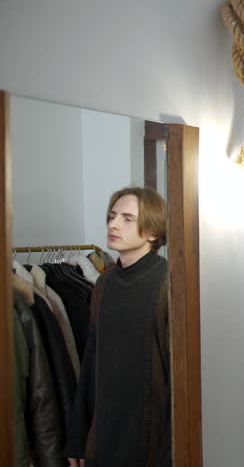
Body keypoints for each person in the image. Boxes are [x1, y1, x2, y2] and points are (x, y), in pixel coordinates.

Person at [65, 186, 171, 467]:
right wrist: (78, 437)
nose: (112, 224)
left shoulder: (168, 283)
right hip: (106, 432)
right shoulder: (104, 284)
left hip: (149, 436)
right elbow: (92, 362)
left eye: (127, 218)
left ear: (151, 231)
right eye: (112, 216)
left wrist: (170, 453)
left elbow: (177, 376)